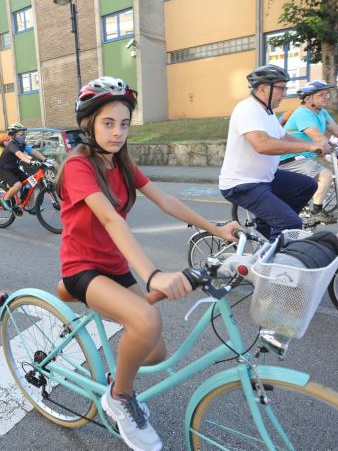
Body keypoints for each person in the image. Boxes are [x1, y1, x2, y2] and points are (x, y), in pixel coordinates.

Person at [56, 77, 239, 451]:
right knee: (146, 319)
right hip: (83, 268)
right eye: (108, 123)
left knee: (155, 349)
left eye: (124, 123)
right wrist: (153, 274)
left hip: (113, 267)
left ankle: (117, 376)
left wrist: (217, 229)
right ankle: (119, 398)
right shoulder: (78, 167)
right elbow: (111, 220)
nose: (118, 132)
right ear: (88, 124)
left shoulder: (121, 163)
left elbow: (165, 200)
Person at [219, 65, 326, 240]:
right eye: (281, 88)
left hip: (265, 177)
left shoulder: (267, 112)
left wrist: (313, 145)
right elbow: (262, 145)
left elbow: (283, 136)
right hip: (243, 184)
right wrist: (308, 147)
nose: (284, 94)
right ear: (262, 88)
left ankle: (268, 224)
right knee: (290, 223)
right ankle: (269, 259)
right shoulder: (247, 109)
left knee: (308, 185)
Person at [279, 80, 338, 224]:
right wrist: (331, 148)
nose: (326, 97)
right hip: (289, 157)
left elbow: (337, 129)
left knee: (316, 181)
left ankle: (305, 211)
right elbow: (317, 137)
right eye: (321, 94)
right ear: (308, 98)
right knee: (326, 175)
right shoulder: (303, 113)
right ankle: (316, 211)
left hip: (303, 157)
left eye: (327, 94)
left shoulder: (322, 112)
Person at [0, 123, 46, 216]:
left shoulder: (22, 144)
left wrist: (45, 160)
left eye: (24, 134)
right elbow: (20, 154)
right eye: (20, 134)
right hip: (3, 170)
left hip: (14, 169)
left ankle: (30, 207)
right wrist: (29, 161)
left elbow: (33, 151)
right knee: (18, 185)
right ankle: (5, 199)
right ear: (14, 135)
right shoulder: (12, 145)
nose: (23, 136)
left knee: (31, 182)